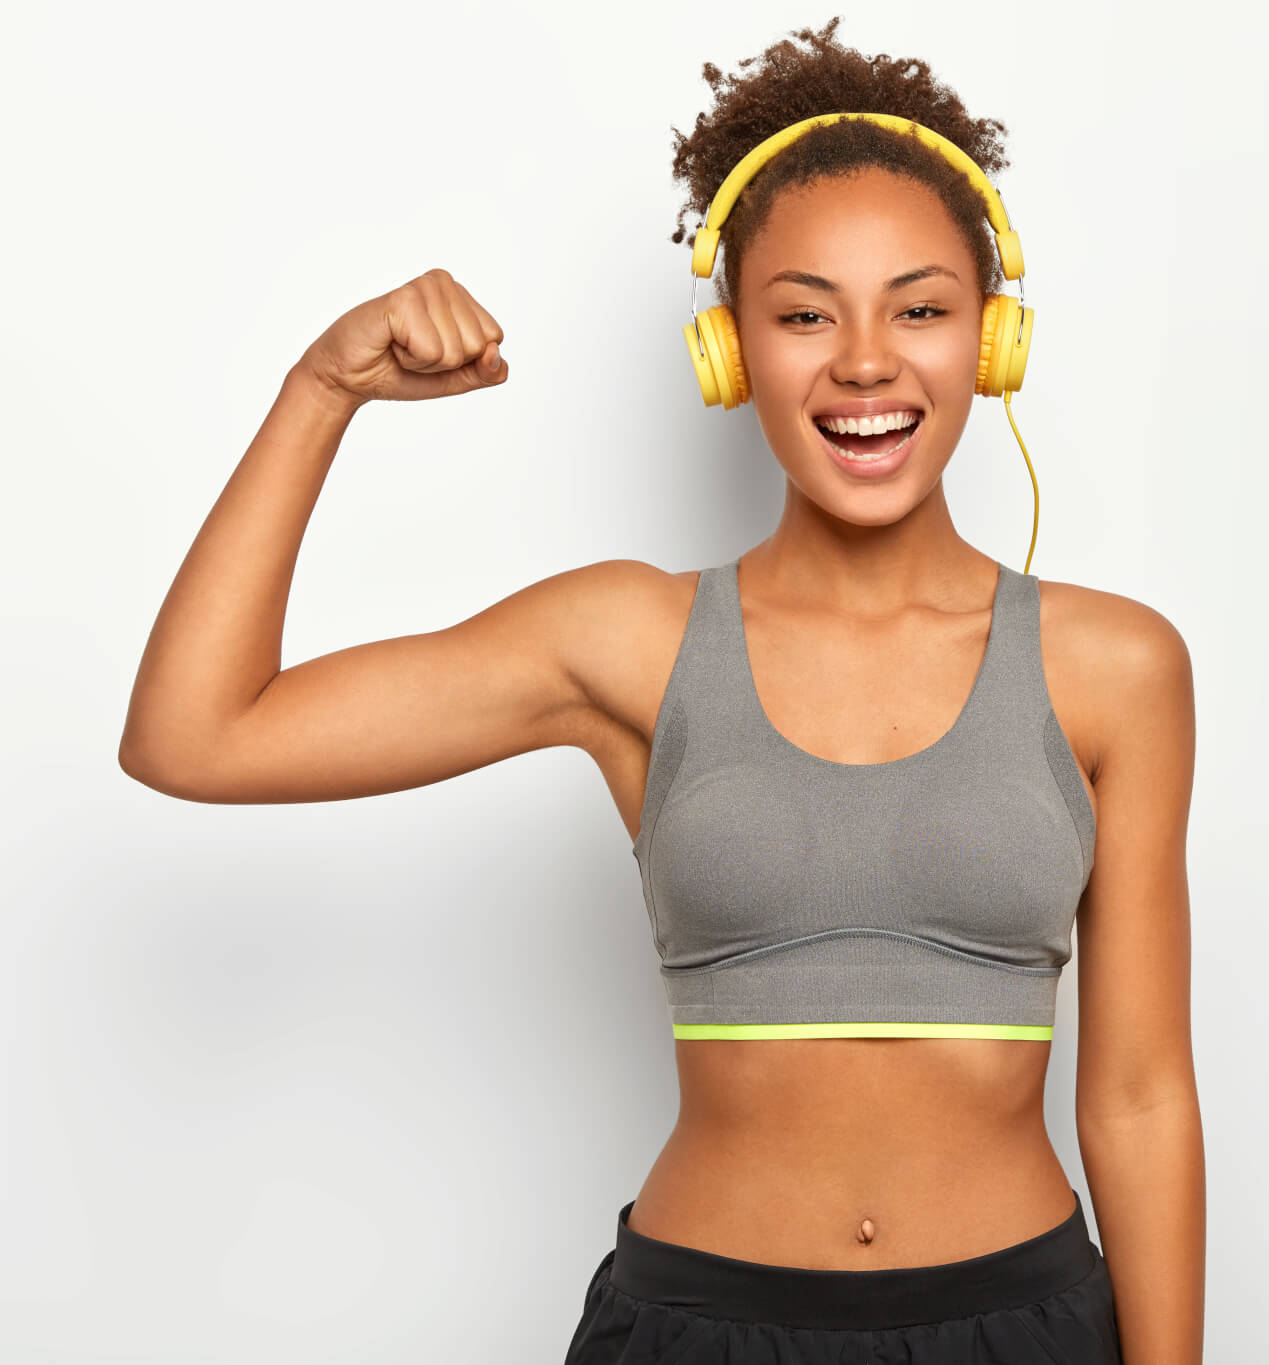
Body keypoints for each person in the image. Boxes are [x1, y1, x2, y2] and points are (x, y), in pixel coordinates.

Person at [118, 16, 1202, 1364]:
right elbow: (192, 733)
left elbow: (1144, 1097)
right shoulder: (628, 640)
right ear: (732, 350)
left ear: (990, 338)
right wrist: (321, 388)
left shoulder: (1117, 667)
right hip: (703, 1329)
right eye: (805, 313)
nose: (865, 360)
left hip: (1020, 1325)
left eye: (919, 307)